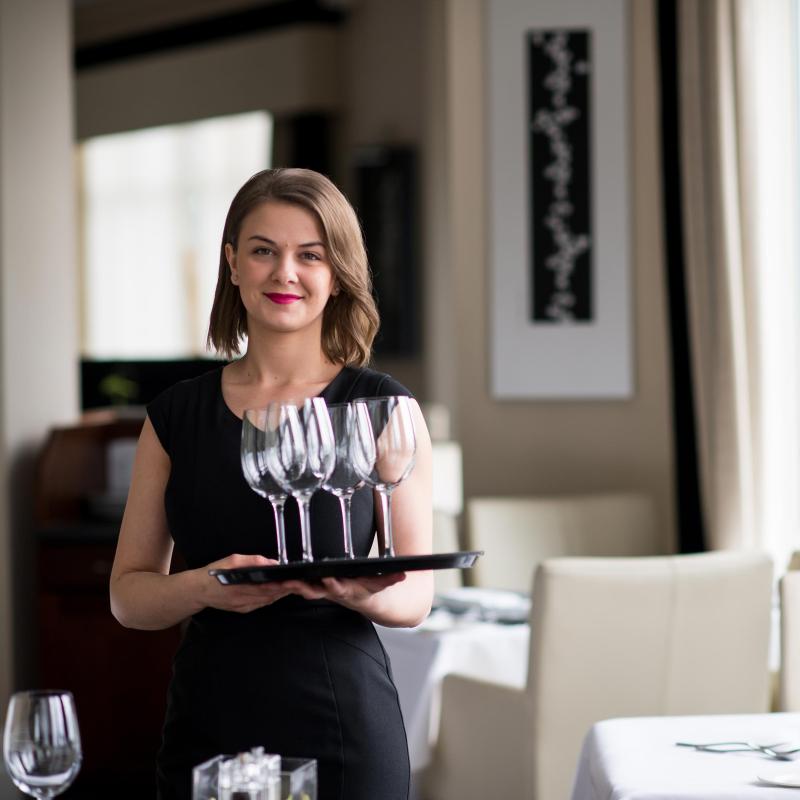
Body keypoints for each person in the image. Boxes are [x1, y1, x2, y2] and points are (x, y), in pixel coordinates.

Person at [109, 167, 434, 800]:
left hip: (342, 713)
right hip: (211, 715)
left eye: (310, 255)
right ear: (233, 264)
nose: (285, 272)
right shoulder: (176, 415)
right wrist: (205, 588)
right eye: (264, 251)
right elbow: (129, 597)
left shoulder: (383, 409)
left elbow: (415, 599)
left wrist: (353, 590)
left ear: (335, 273)